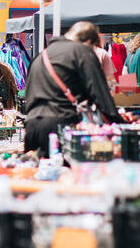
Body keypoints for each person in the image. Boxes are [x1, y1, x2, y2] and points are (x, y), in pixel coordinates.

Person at [24, 21, 122, 155]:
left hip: (32, 127)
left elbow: (28, 95)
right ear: (88, 42)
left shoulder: (40, 57)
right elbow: (99, 93)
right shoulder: (82, 51)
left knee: (36, 173)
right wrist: (120, 123)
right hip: (61, 126)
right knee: (67, 174)